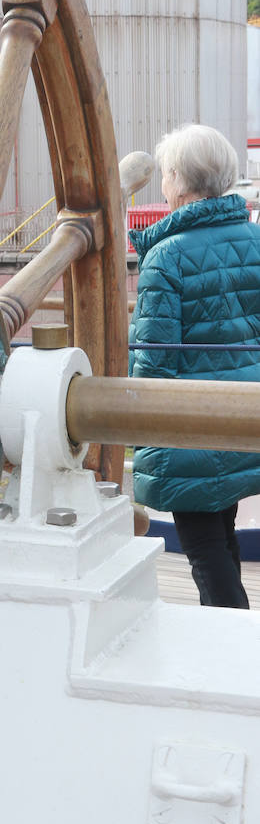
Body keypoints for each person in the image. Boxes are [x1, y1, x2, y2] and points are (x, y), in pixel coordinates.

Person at [129, 123, 260, 608]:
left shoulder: (165, 258)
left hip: (190, 427)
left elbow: (155, 363)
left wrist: (136, 427)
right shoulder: (256, 239)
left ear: (180, 179)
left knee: (205, 550)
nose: (162, 184)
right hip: (243, 419)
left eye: (164, 173)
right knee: (219, 534)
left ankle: (232, 657)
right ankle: (240, 640)